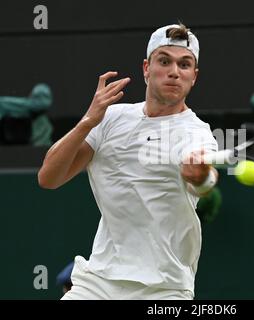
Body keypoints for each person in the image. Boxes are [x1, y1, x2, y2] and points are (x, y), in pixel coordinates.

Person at [38, 23, 219, 300]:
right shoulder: (109, 119)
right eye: (164, 61)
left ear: (193, 76)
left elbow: (206, 183)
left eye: (184, 65)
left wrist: (199, 175)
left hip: (164, 288)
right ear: (146, 68)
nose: (174, 71)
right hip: (98, 280)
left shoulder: (198, 133)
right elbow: (49, 178)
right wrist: (88, 121)